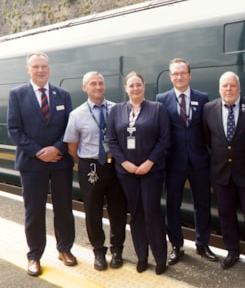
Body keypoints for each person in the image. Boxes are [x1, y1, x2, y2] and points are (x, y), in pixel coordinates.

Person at [7, 51, 77, 277]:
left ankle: (64, 249)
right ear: (28, 69)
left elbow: (69, 127)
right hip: (31, 164)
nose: (40, 70)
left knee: (64, 208)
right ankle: (34, 255)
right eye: (36, 67)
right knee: (34, 211)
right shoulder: (17, 95)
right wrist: (39, 152)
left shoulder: (63, 95)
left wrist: (57, 148)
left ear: (49, 68)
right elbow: (14, 130)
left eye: (44, 66)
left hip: (59, 162)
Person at [202, 71, 245, 277]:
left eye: (232, 86)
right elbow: (208, 138)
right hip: (222, 174)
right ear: (219, 89)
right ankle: (232, 251)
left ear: (239, 88)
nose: (229, 89)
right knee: (226, 215)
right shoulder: (208, 109)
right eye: (225, 86)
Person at [107, 71, 170, 275]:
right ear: (126, 88)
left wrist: (149, 162)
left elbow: (164, 139)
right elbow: (112, 141)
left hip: (152, 171)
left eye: (138, 85)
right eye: (131, 85)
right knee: (136, 214)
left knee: (152, 212)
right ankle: (142, 257)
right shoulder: (116, 110)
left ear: (144, 87)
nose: (135, 89)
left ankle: (160, 258)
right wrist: (125, 163)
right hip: (127, 172)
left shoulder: (157, 109)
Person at [156, 58, 218, 265]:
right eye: (175, 73)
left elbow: (206, 129)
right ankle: (176, 245)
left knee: (202, 204)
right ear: (170, 76)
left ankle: (202, 244)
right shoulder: (161, 99)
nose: (179, 77)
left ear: (190, 75)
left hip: (199, 160)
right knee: (172, 205)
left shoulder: (202, 98)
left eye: (183, 73)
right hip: (173, 162)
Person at [63, 71, 127, 271]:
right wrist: (87, 161)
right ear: (85, 88)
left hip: (115, 165)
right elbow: (72, 146)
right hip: (90, 166)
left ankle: (117, 250)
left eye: (100, 83)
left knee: (118, 210)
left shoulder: (117, 109)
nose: (98, 87)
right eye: (93, 84)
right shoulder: (77, 114)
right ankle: (99, 251)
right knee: (93, 211)